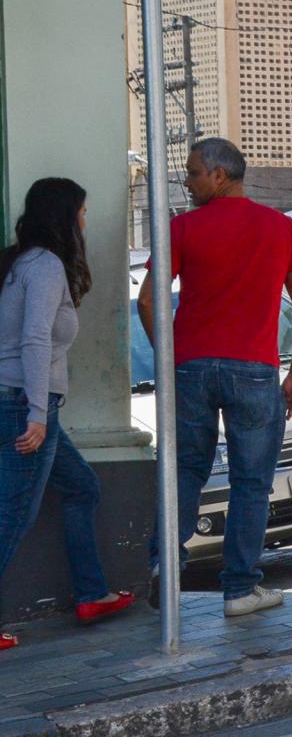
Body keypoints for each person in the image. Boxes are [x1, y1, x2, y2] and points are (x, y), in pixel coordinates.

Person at [139, 138, 292, 617]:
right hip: (256, 372)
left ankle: (164, 566)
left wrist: (169, 358)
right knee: (251, 482)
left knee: (185, 472)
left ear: (220, 175)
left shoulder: (182, 228)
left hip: (191, 369)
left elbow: (149, 300)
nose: (187, 182)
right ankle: (240, 589)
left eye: (193, 173)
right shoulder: (282, 228)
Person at [0, 179, 135, 650]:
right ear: (64, 216)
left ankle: (92, 593)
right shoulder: (45, 266)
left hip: (20, 401)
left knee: (82, 486)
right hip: (24, 405)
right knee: (13, 514)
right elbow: (34, 339)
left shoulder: (16, 262)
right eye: (81, 211)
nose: (84, 219)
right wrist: (37, 411)